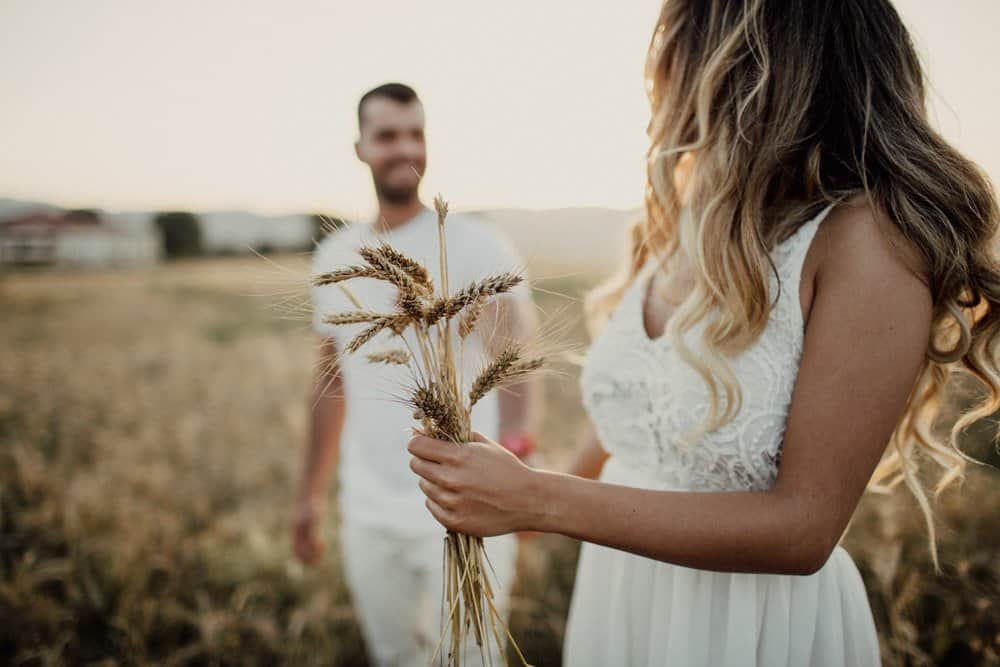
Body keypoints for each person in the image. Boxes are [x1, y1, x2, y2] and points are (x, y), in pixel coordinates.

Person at [406, 2, 1000, 665]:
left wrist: (537, 501)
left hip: (749, 627)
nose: (661, 74)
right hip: (621, 601)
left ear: (750, 65)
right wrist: (515, 492)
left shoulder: (868, 243)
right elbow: (641, 410)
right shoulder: (693, 220)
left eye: (680, 46)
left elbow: (805, 528)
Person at [292, 82, 541, 666]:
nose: (404, 148)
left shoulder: (477, 247)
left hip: (466, 501)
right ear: (361, 148)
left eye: (415, 133)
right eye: (387, 135)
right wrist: (308, 494)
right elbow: (330, 384)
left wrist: (519, 465)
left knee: (474, 658)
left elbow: (518, 370)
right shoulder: (335, 256)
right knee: (394, 656)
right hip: (367, 506)